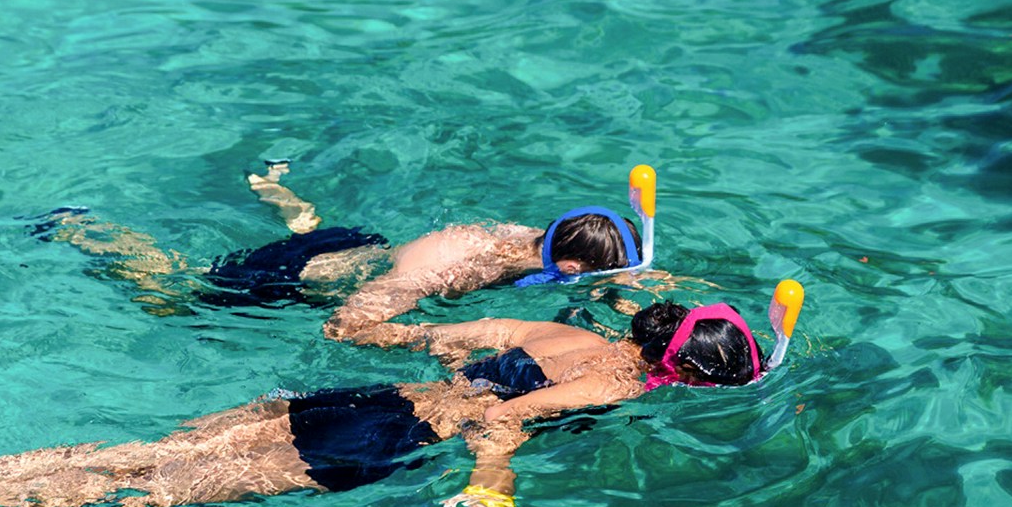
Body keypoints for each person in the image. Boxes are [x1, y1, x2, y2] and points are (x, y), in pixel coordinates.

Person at [0, 299, 775, 507]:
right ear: (684, 373)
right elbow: (503, 418)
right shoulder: (616, 382)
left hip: (359, 399)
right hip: (378, 445)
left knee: (145, 454)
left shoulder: (565, 332)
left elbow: (447, 341)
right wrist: (491, 494)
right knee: (151, 495)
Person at [36, 159, 645, 347]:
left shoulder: (530, 238)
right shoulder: (453, 264)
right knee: (173, 295)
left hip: (360, 248)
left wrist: (626, 286)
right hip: (295, 277)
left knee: (318, 232)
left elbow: (594, 268)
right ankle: (81, 229)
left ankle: (276, 188)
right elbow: (344, 327)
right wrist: (447, 338)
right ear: (566, 266)